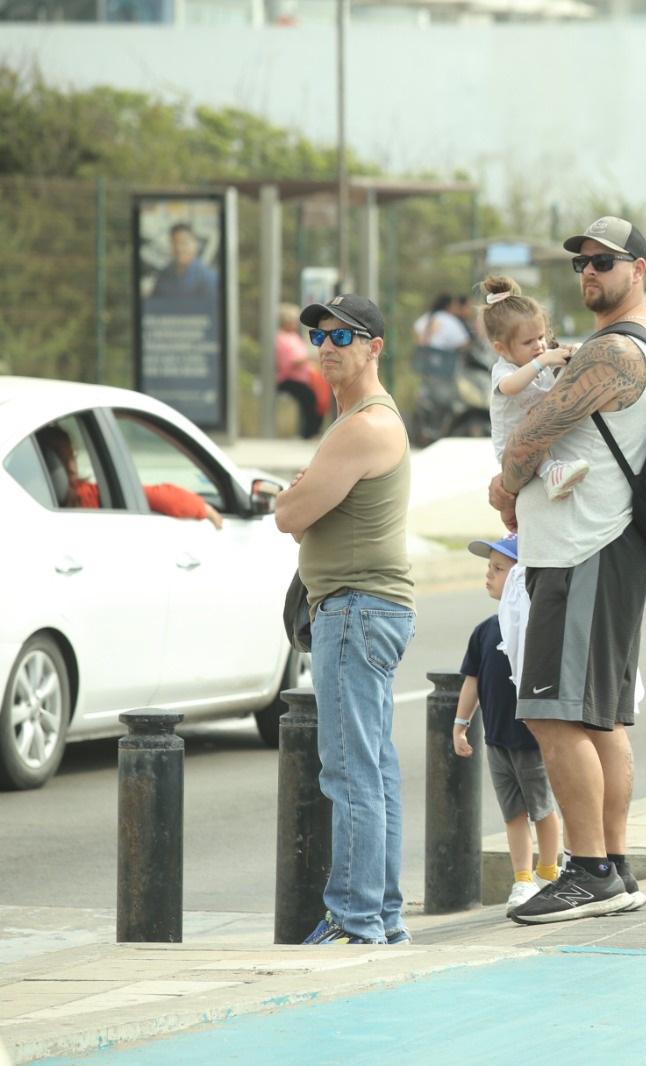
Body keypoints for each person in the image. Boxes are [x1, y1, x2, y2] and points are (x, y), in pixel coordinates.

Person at [485, 215, 646, 924]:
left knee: (550, 713)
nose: (590, 272)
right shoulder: (621, 347)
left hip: (580, 549)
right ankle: (613, 866)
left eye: (605, 262)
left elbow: (534, 430)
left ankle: (588, 871)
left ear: (637, 270)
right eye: (582, 263)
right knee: (601, 719)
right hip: (601, 546)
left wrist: (505, 486)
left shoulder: (614, 352)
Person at [273, 293, 415, 947]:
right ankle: (381, 917)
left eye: (343, 336)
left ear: (375, 347)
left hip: (355, 610)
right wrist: (303, 489)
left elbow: (290, 514)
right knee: (374, 767)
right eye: (319, 337)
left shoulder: (363, 426)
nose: (327, 347)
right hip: (366, 610)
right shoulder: (360, 423)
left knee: (351, 771)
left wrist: (297, 492)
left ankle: (356, 922)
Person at [452, 533, 565, 914]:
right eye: (489, 568)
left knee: (542, 808)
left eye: (499, 569)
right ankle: (522, 880)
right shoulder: (485, 630)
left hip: (532, 739)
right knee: (513, 813)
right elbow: (473, 680)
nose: (489, 575)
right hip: (498, 740)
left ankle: (550, 871)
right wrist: (460, 722)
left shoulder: (535, 624)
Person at [479, 275, 588, 500]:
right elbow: (510, 387)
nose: (539, 345)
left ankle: (553, 471)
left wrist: (571, 354)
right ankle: (551, 474)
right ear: (501, 348)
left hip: (538, 433)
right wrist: (542, 361)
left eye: (541, 337)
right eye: (528, 342)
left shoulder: (540, 362)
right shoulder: (504, 370)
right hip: (513, 447)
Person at [36, 424, 222, 528]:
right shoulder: (87, 498)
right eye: (66, 456)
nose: (70, 463)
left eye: (72, 455)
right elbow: (159, 496)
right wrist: (202, 507)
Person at [275, 303, 330, 440]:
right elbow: (288, 363)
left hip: (304, 378)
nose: (295, 324)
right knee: (309, 398)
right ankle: (309, 433)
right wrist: (307, 358)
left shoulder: (294, 337)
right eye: (293, 321)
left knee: (319, 395)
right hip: (289, 379)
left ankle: (314, 431)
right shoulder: (281, 338)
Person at [148, 222, 219, 308]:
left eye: (184, 243)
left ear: (195, 244)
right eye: (174, 243)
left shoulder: (209, 278)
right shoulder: (164, 275)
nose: (179, 248)